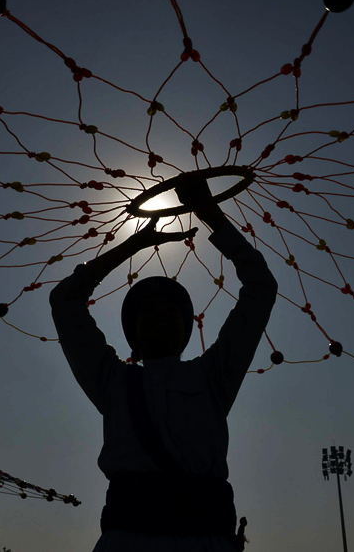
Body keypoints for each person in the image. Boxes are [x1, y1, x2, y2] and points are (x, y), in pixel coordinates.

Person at [50, 177, 277, 551]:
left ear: (186, 328)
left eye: (170, 310)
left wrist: (210, 214)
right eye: (147, 311)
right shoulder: (112, 381)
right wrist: (134, 243)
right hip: (127, 537)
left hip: (207, 538)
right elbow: (65, 301)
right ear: (132, 334)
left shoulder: (214, 376)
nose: (159, 316)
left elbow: (261, 288)